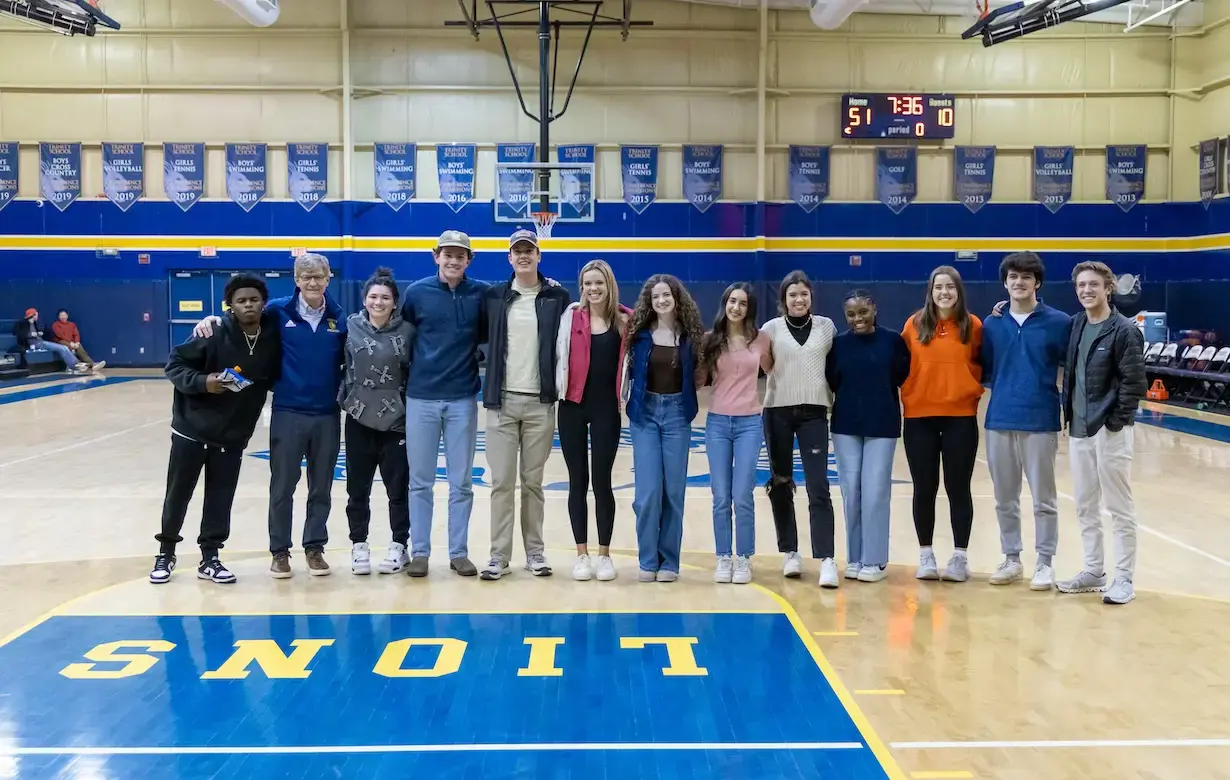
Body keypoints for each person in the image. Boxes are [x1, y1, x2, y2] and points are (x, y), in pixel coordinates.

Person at [192, 253, 348, 578]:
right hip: (289, 412)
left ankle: (315, 547)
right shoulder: (277, 311)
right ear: (296, 280)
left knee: (321, 487)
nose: (312, 282)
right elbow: (240, 319)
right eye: (306, 277)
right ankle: (280, 551)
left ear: (328, 278)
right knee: (283, 486)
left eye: (318, 276)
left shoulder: (340, 318)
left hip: (327, 415)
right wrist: (212, 319)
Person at [150, 274, 282, 585]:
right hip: (191, 430)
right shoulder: (213, 331)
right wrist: (204, 382)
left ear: (264, 303)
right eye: (241, 300)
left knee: (220, 497)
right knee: (178, 494)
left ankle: (210, 557)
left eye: (254, 299)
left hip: (232, 434)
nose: (248, 304)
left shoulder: (272, 335)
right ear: (230, 306)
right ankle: (166, 552)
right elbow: (175, 365)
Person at [478, 230, 571, 580]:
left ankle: (535, 553)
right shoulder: (494, 296)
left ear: (539, 255)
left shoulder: (557, 297)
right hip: (501, 404)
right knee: (501, 483)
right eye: (517, 251)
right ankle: (498, 556)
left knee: (533, 483)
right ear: (509, 258)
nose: (523, 256)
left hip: (539, 404)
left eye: (529, 250)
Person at [1056, 261, 1147, 605]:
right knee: (1085, 506)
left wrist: (1115, 422)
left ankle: (1124, 578)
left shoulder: (1124, 330)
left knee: (1119, 508)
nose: (1086, 291)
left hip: (1110, 431)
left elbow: (1134, 383)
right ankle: (1094, 570)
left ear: (1108, 288)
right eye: (1081, 285)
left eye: (1093, 284)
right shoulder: (1077, 323)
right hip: (1079, 429)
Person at [981, 251, 1072, 591]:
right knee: (1005, 497)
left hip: (1040, 418)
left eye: (1026, 277)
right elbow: (986, 367)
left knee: (1043, 499)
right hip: (1000, 417)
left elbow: (1071, 365)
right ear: (1005, 283)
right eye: (1013, 277)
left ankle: (1045, 562)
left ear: (1037, 282)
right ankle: (1012, 558)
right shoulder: (992, 323)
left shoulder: (1059, 322)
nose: (1019, 283)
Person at [399, 230, 488, 578]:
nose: (453, 260)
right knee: (419, 481)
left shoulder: (480, 293)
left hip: (462, 398)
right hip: (420, 397)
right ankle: (419, 552)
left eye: (460, 255)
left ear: (469, 260)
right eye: (447, 254)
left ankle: (458, 552)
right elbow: (402, 337)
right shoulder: (416, 293)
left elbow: (487, 333)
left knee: (461, 481)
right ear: (436, 256)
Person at [900, 266, 984, 583]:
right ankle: (926, 555)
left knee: (958, 488)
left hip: (960, 417)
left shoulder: (973, 326)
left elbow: (984, 362)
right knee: (925, 488)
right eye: (938, 287)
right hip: (919, 416)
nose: (944, 292)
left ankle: (960, 557)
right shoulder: (914, 324)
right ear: (930, 291)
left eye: (950, 287)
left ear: (959, 291)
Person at [760, 270, 840, 588]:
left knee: (818, 484)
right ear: (784, 300)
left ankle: (827, 558)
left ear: (811, 297)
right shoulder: (770, 329)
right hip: (777, 410)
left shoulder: (826, 327)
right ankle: (790, 551)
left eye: (803, 294)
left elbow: (836, 366)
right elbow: (764, 366)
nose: (798, 299)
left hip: (815, 413)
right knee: (781, 483)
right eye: (792, 294)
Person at [622, 274, 704, 583]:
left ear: (676, 297)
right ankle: (647, 559)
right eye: (655, 296)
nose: (661, 300)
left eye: (666, 295)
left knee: (673, 492)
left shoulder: (690, 336)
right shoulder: (639, 334)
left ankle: (669, 560)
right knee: (647, 493)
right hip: (645, 414)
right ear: (649, 301)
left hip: (676, 415)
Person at [826, 289, 911, 583]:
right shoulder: (837, 345)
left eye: (863, 312)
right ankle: (855, 557)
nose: (857, 319)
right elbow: (832, 379)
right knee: (852, 494)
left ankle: (875, 560)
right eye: (851, 314)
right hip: (846, 426)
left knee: (875, 493)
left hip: (882, 425)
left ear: (873, 309)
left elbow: (900, 376)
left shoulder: (893, 341)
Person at [555, 259, 632, 582]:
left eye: (599, 283)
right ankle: (581, 555)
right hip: (572, 406)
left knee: (602, 482)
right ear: (581, 286)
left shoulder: (624, 321)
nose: (593, 289)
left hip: (605, 410)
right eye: (587, 283)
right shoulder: (571, 317)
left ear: (609, 285)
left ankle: (604, 555)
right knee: (577, 481)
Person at [342, 267, 417, 576]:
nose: (378, 302)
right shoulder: (350, 326)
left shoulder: (409, 331)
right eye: (373, 296)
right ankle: (359, 545)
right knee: (357, 488)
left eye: (385, 297)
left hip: (396, 419)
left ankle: (399, 545)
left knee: (397, 489)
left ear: (394, 301)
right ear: (364, 299)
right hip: (358, 415)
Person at [698, 282, 772, 585]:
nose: (736, 307)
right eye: (731, 301)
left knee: (742, 495)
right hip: (717, 422)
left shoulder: (762, 340)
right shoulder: (710, 340)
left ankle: (743, 557)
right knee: (720, 496)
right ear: (724, 304)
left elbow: (773, 372)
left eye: (742, 303)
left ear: (749, 308)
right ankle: (723, 557)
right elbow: (700, 378)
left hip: (750, 423)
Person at [12, 308, 89, 373]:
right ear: (33, 315)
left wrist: (39, 333)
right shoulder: (23, 323)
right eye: (36, 315)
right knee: (62, 348)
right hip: (35, 344)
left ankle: (76, 364)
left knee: (64, 348)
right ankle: (75, 365)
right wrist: (32, 334)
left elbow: (43, 333)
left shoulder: (35, 323)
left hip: (41, 342)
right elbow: (20, 334)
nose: (37, 316)